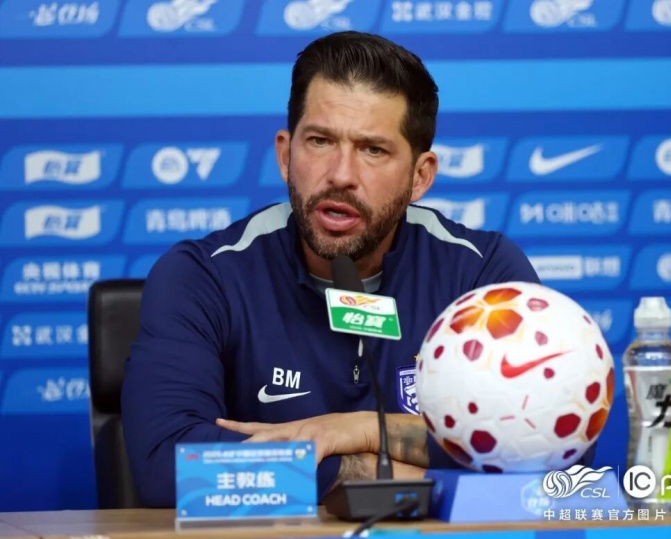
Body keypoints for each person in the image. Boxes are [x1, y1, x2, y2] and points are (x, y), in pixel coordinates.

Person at [121, 30, 546, 508]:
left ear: (420, 176)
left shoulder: (481, 276)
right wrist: (364, 471)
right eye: (320, 141)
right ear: (286, 155)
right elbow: (168, 468)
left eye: (373, 150)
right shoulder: (205, 276)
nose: (341, 175)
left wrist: (362, 430)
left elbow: (552, 450)